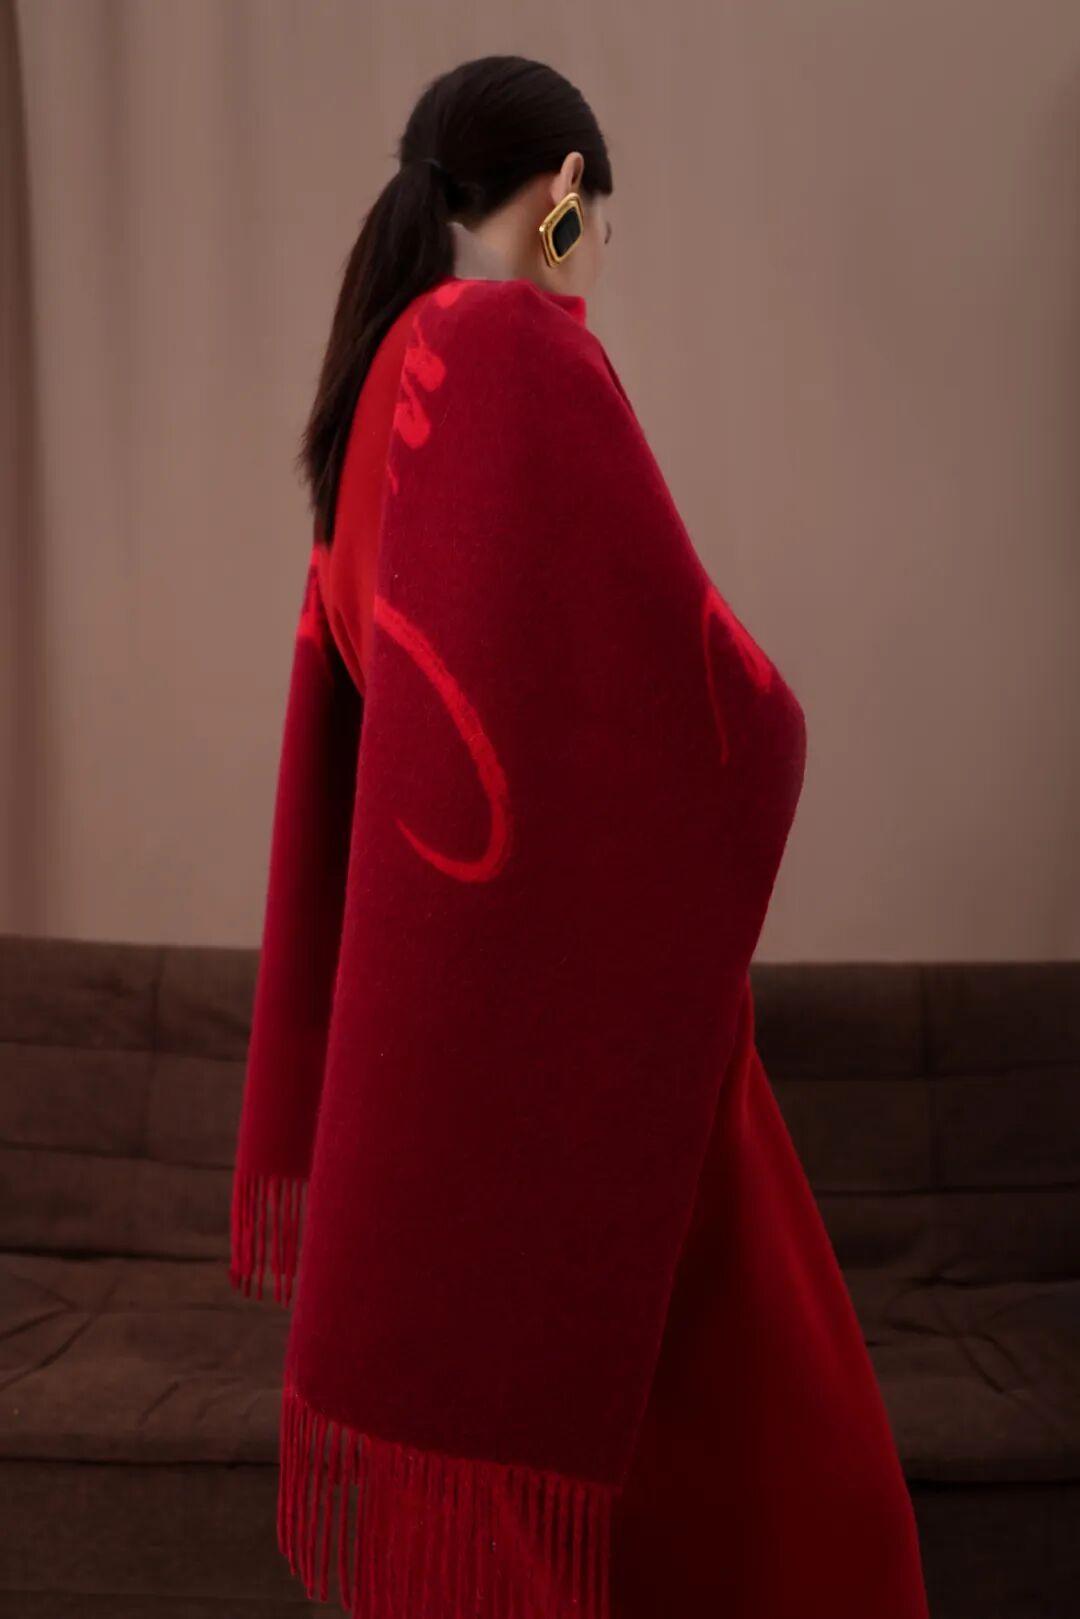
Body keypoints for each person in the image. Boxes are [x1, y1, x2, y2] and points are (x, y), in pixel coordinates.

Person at [229, 52, 932, 1619]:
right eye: (598, 226)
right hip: (594, 1062)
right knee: (799, 1514)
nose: (597, 261)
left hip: (463, 1067)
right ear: (560, 200)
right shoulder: (509, 351)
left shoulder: (371, 403)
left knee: (589, 1527)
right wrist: (767, 722)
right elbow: (717, 704)